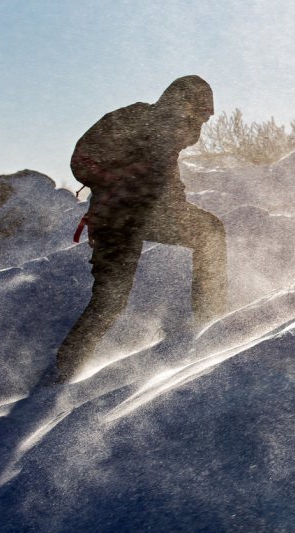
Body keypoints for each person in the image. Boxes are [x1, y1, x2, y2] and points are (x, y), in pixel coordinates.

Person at [56, 75, 228, 382]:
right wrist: (119, 179)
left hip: (156, 215)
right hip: (117, 218)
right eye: (198, 114)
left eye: (205, 118)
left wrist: (174, 203)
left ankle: (210, 318)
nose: (199, 124)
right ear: (179, 103)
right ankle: (65, 370)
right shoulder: (135, 117)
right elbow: (82, 159)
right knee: (110, 301)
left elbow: (164, 180)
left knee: (210, 232)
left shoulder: (171, 138)